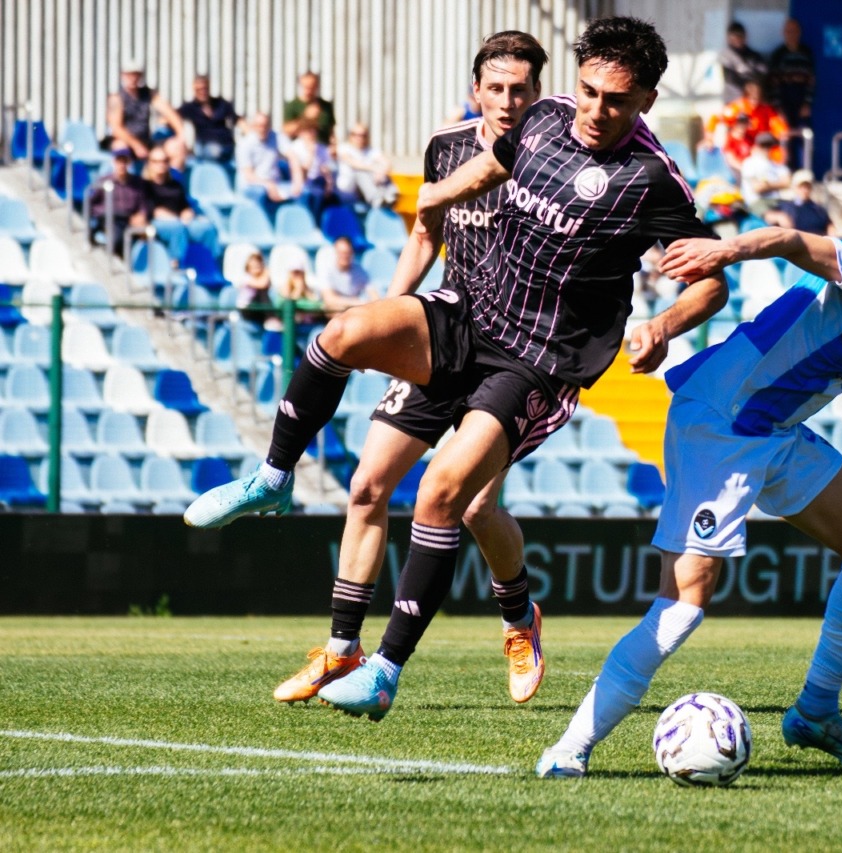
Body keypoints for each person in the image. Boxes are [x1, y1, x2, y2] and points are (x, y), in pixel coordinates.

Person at [186, 16, 728, 723]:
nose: (597, 110)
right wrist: (440, 197)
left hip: (540, 360)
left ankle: (386, 667)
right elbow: (500, 160)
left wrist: (661, 323)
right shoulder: (546, 117)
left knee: (448, 493)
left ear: (648, 102)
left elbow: (709, 278)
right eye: (589, 91)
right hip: (469, 314)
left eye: (617, 101)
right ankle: (273, 478)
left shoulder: (652, 177)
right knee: (344, 333)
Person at [534, 218, 842, 778]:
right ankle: (571, 748)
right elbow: (792, 242)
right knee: (685, 601)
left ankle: (815, 713)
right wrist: (727, 249)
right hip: (722, 424)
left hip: (775, 432)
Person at [273, 32, 555, 710]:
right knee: (368, 485)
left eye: (521, 89)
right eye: (497, 87)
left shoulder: (556, 158)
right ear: (476, 89)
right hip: (442, 339)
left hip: (512, 355)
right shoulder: (446, 147)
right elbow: (426, 230)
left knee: (475, 503)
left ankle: (519, 617)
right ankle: (342, 652)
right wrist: (392, 315)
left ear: (537, 93)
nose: (508, 100)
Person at [106, 57, 187, 169]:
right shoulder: (116, 98)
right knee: (120, 148)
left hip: (146, 141)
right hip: (127, 141)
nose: (133, 78)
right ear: (123, 75)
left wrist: (181, 134)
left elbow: (170, 113)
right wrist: (136, 145)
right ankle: (125, 184)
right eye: (129, 75)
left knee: (177, 147)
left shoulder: (149, 94)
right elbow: (116, 128)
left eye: (136, 75)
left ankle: (170, 183)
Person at [141, 147, 219, 261]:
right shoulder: (144, 186)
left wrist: (187, 212)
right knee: (177, 229)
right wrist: (172, 217)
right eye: (156, 161)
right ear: (149, 163)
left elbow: (184, 205)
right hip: (159, 223)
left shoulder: (175, 185)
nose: (161, 164)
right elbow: (150, 209)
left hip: (181, 221)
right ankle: (176, 264)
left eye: (165, 160)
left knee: (207, 228)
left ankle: (211, 263)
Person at [768, 17, 815, 166]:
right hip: (784, 97)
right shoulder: (778, 54)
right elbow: (773, 83)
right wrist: (778, 108)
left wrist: (807, 103)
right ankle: (786, 171)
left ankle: (804, 171)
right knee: (784, 137)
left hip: (801, 97)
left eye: (794, 31)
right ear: (783, 33)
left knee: (804, 136)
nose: (791, 34)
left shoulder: (806, 53)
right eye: (788, 31)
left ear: (799, 33)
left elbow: (811, 80)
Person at [86, 149, 148, 256]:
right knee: (117, 238)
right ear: (114, 162)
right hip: (108, 218)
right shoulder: (104, 181)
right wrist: (97, 215)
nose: (122, 165)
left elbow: (143, 204)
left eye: (125, 161)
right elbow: (91, 201)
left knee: (149, 234)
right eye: (119, 161)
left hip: (128, 219)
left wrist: (141, 215)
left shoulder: (137, 183)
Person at [705, 79, 788, 159]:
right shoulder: (737, 107)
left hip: (760, 145)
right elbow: (714, 118)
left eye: (756, 99)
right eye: (751, 99)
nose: (754, 102)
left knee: (779, 155)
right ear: (746, 97)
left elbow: (778, 125)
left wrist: (781, 132)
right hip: (741, 147)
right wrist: (709, 139)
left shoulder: (765, 109)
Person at [177, 74, 239, 163]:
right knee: (215, 151)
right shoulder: (190, 107)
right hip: (205, 145)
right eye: (199, 89)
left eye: (204, 88)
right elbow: (173, 116)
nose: (202, 92)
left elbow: (237, 120)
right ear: (194, 90)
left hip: (227, 144)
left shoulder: (221, 104)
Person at [335, 123, 399, 208]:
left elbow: (387, 163)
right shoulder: (344, 148)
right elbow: (353, 164)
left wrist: (381, 172)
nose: (359, 138)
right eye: (356, 135)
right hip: (348, 186)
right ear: (351, 136)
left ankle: (391, 195)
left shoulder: (371, 150)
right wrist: (374, 169)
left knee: (383, 174)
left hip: (367, 185)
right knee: (360, 172)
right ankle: (376, 198)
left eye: (363, 135)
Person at [236, 112, 290, 203]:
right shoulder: (244, 144)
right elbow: (249, 176)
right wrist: (268, 185)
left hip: (274, 183)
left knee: (301, 192)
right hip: (252, 185)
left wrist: (298, 181)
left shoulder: (276, 137)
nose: (262, 129)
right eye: (259, 126)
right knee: (262, 193)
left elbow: (292, 155)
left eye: (265, 125)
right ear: (253, 126)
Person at [287, 120, 334, 219]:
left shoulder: (321, 148)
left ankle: (316, 224)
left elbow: (325, 169)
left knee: (320, 194)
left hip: (318, 182)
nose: (311, 134)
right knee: (306, 194)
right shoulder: (295, 148)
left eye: (313, 131)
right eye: (308, 131)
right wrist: (311, 154)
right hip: (303, 182)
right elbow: (300, 173)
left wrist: (329, 185)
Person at [316, 236, 373, 311]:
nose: (344, 256)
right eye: (341, 253)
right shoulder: (327, 269)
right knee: (333, 308)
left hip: (352, 311)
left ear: (352, 253)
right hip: (334, 312)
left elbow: (374, 297)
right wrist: (358, 302)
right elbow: (329, 299)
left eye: (347, 253)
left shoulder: (360, 271)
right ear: (335, 252)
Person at [739, 133, 791, 215]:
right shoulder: (749, 163)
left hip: (776, 200)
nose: (766, 148)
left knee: (796, 214)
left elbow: (787, 182)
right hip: (756, 202)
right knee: (782, 218)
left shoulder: (776, 164)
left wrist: (767, 184)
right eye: (763, 145)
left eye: (769, 145)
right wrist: (778, 184)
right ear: (756, 146)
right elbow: (757, 188)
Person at [718, 20, 768, 104]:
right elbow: (729, 77)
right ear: (729, 38)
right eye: (734, 36)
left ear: (745, 37)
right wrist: (747, 86)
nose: (738, 39)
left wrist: (754, 85)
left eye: (740, 36)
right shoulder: (725, 56)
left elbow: (763, 70)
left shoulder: (753, 55)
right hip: (734, 103)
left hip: (753, 103)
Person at [771, 170, 833, 235]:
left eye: (807, 187)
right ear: (795, 188)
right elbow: (767, 217)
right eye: (801, 187)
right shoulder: (785, 206)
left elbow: (829, 226)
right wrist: (779, 217)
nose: (805, 190)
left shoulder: (818, 209)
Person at [282, 71, 337, 143]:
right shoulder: (292, 106)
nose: (309, 90)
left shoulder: (325, 106)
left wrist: (333, 145)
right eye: (306, 87)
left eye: (312, 87)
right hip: (301, 150)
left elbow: (331, 130)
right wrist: (305, 117)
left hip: (323, 148)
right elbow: (286, 130)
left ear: (317, 86)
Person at [236, 251, 274, 323]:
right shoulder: (246, 278)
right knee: (262, 292)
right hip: (246, 309)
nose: (257, 269)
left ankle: (271, 319)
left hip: (257, 308)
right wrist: (266, 272)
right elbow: (262, 284)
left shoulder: (260, 278)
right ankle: (271, 318)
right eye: (253, 267)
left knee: (264, 293)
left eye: (258, 266)